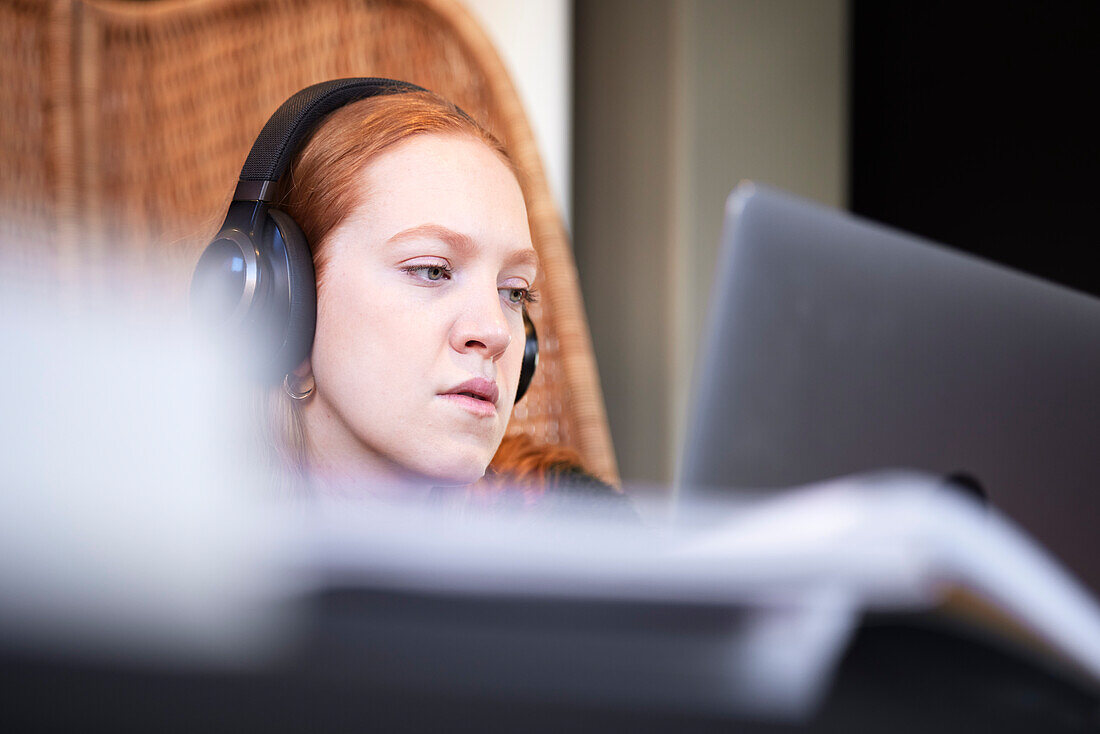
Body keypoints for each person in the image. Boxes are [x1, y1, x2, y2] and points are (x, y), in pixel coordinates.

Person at [240, 86, 618, 505]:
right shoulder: (173, 552)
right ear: (283, 304)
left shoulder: (564, 512)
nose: (497, 333)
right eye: (432, 270)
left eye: (514, 293)